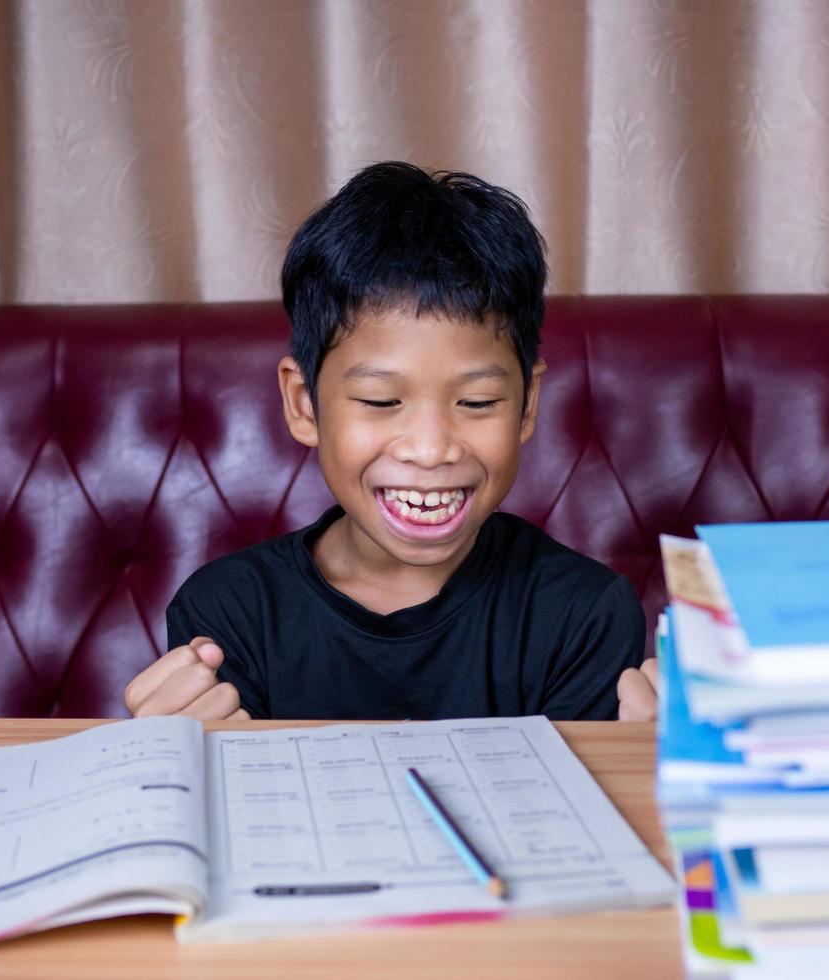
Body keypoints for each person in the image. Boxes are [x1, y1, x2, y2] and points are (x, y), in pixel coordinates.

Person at [123, 161, 660, 723]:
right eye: (381, 402)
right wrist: (170, 759)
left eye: (477, 403)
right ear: (305, 405)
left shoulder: (583, 613)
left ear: (527, 405)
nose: (430, 450)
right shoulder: (232, 609)